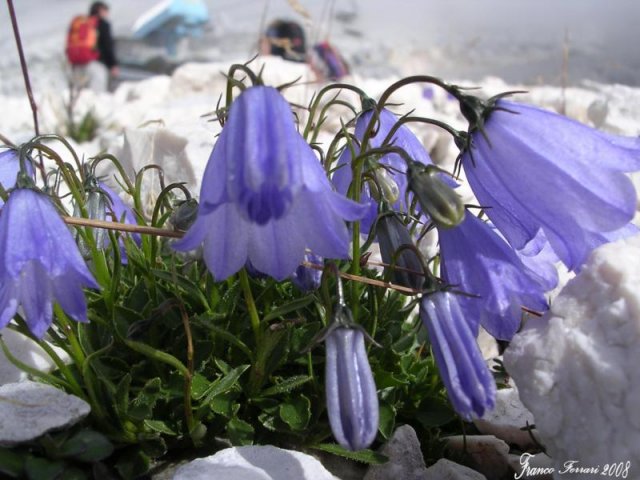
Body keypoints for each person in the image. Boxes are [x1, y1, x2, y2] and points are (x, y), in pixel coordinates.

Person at [90, 1, 119, 91]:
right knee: (99, 94)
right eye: (105, 10)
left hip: (79, 63)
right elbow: (107, 46)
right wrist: (113, 65)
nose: (107, 13)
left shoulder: (85, 23)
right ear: (100, 11)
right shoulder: (103, 25)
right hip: (98, 63)